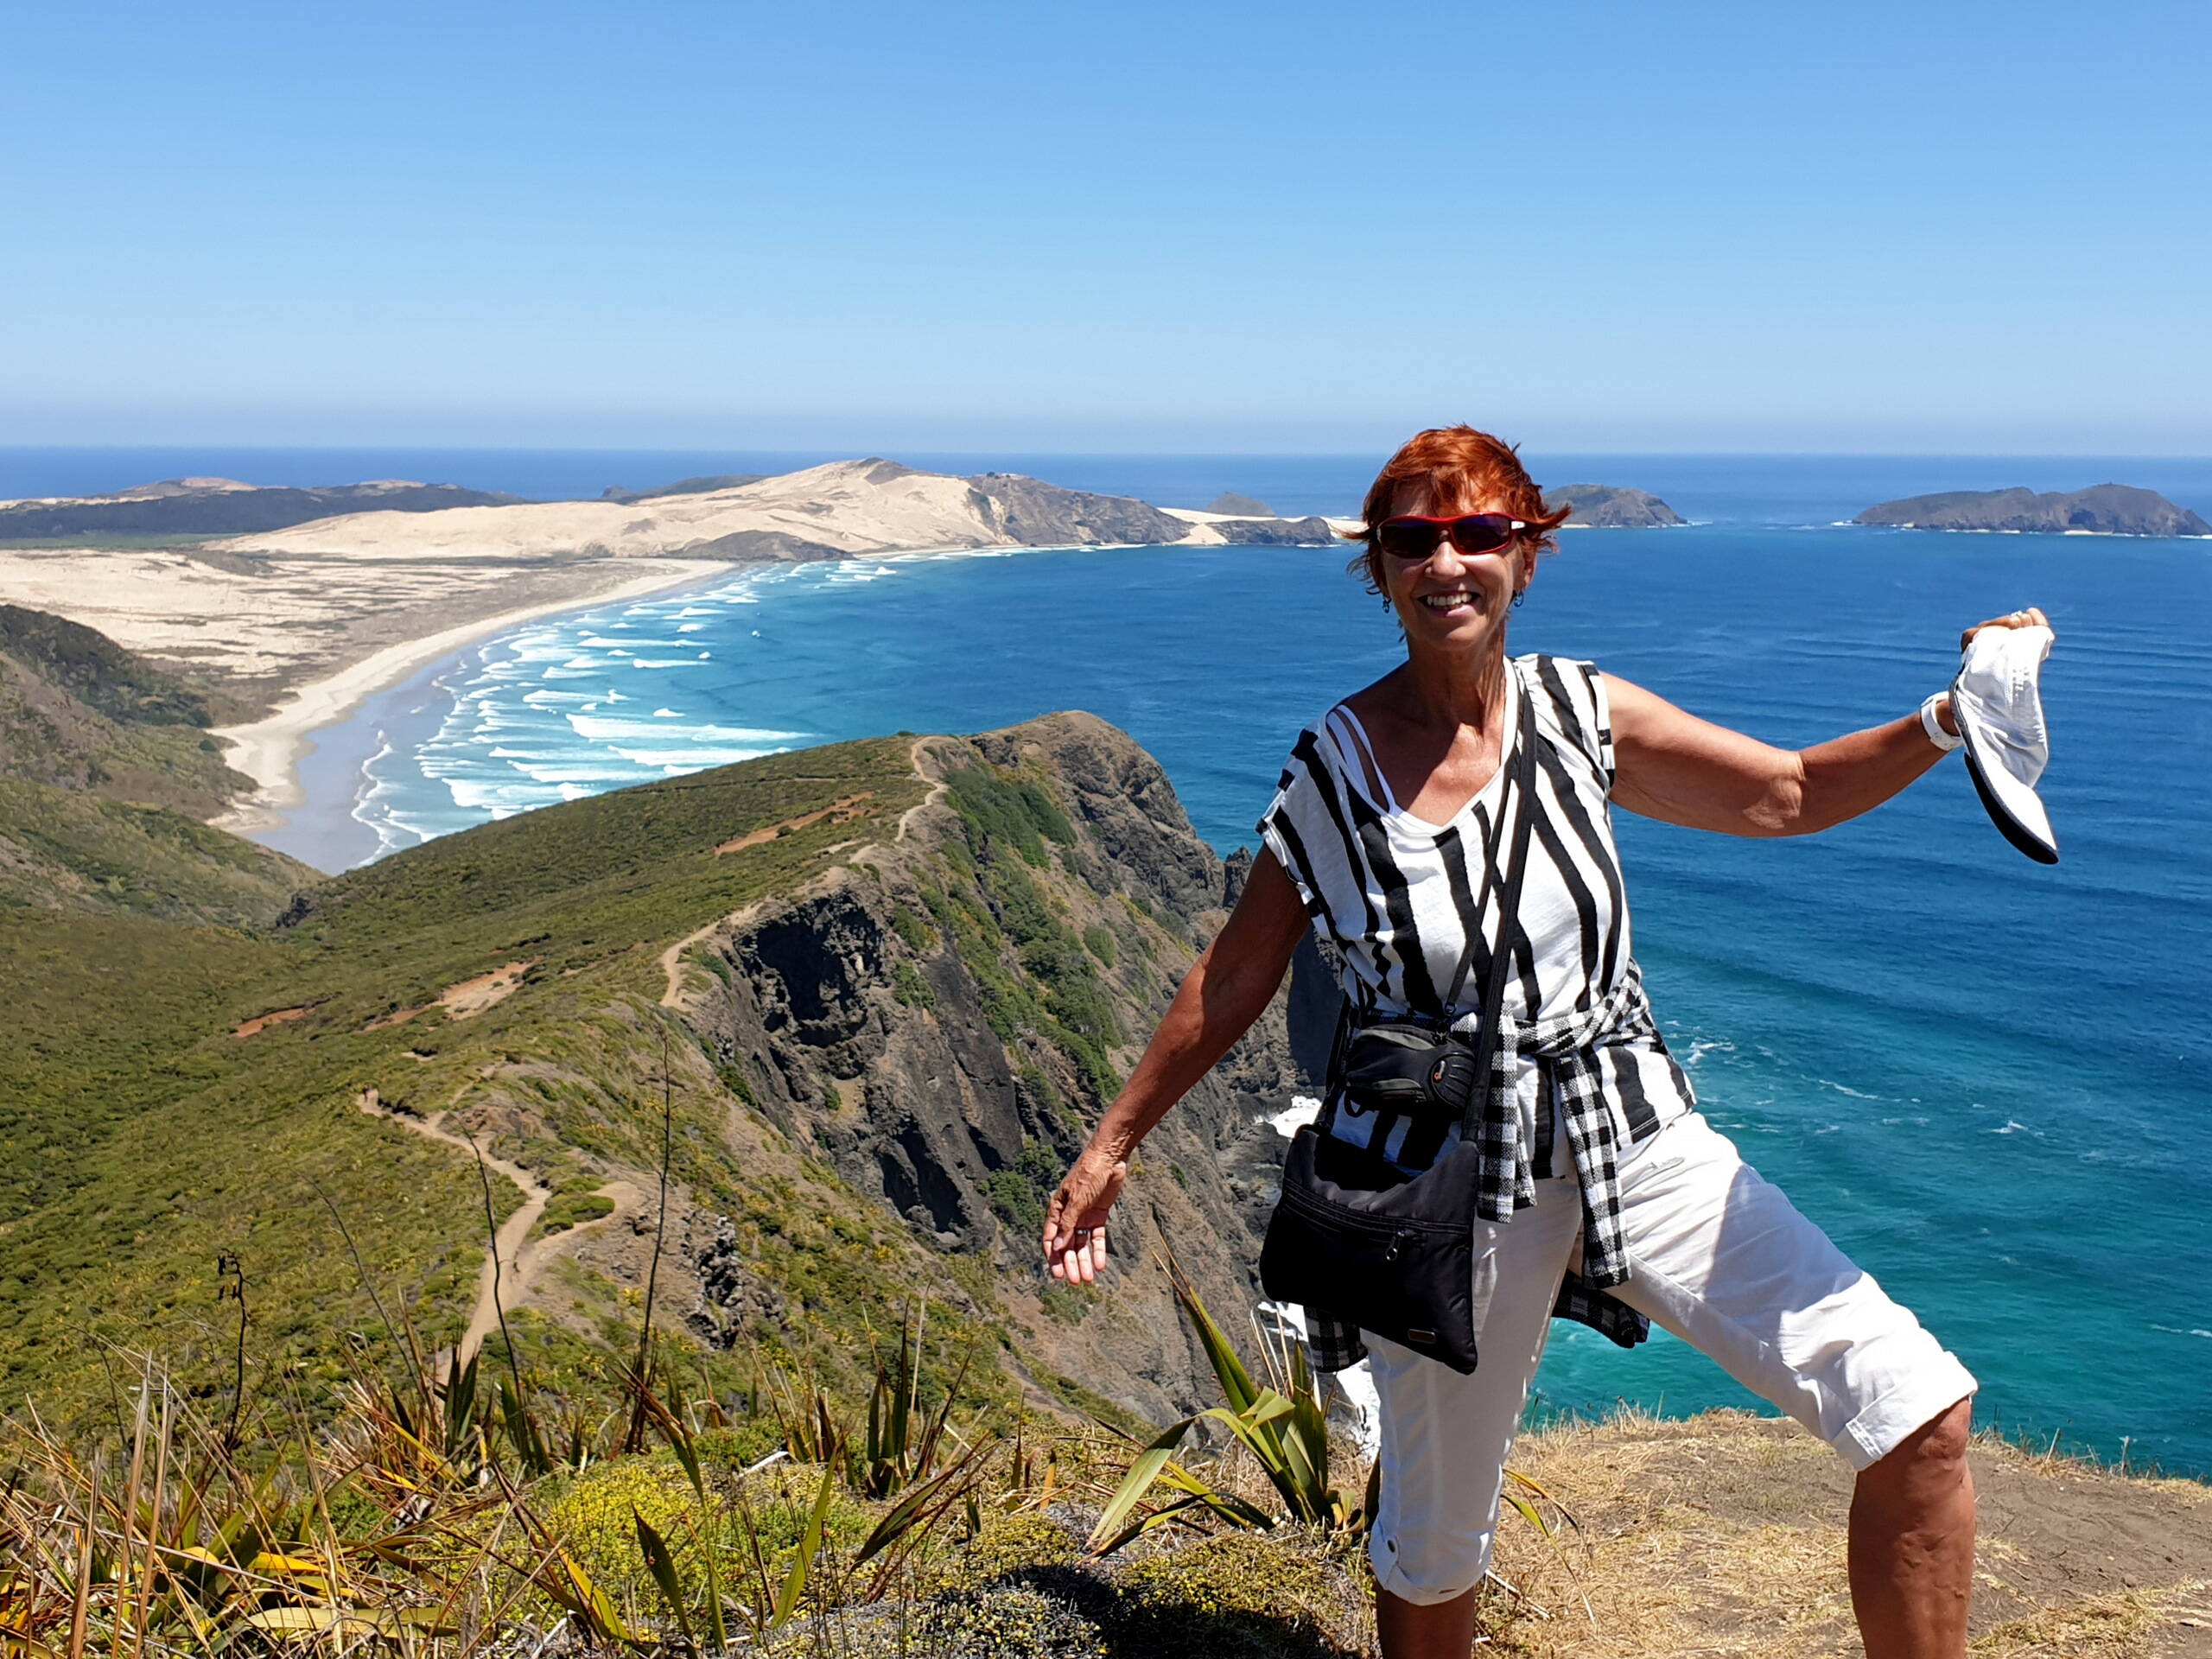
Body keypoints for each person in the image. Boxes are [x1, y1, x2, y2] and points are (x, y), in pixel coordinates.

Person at [1043, 427, 2050, 1659]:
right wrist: (1114, 1144)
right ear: (1380, 568)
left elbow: (1787, 792)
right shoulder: (1337, 766)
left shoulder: (1582, 714)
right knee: (1434, 1545)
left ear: (1530, 553)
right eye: (1414, 538)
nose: (1447, 562)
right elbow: (1241, 966)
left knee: (1918, 1412)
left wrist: (1952, 718)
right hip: (1442, 1181)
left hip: (1634, 1137)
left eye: (1480, 534)